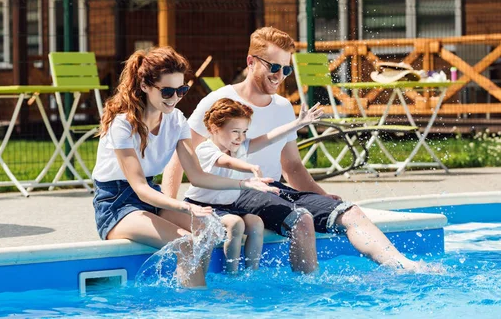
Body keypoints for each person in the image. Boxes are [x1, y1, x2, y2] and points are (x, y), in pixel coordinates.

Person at [162, 27, 421, 273]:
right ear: (251, 62)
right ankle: (307, 295)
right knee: (301, 219)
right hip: (232, 193)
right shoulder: (219, 101)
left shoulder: (284, 107)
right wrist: (169, 207)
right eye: (273, 67)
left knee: (348, 211)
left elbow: (292, 166)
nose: (280, 75)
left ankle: (401, 265)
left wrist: (320, 196)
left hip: (270, 189)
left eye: (286, 69)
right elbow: (180, 156)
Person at [92, 46, 279, 288]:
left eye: (181, 90)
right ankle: (193, 307)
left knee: (209, 230)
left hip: (150, 197)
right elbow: (139, 188)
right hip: (116, 204)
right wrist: (185, 206)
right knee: (186, 244)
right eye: (167, 91)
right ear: (145, 86)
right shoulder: (123, 125)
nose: (175, 98)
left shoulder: (176, 120)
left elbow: (198, 176)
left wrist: (243, 183)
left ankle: (196, 294)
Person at [184, 98, 324, 273]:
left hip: (228, 204)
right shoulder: (206, 149)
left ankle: (251, 274)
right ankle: (232, 275)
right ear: (214, 129)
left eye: (244, 131)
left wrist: (297, 123)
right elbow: (225, 162)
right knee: (235, 225)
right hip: (203, 205)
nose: (240, 137)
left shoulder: (239, 146)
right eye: (235, 131)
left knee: (256, 224)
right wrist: (249, 167)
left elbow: (269, 138)